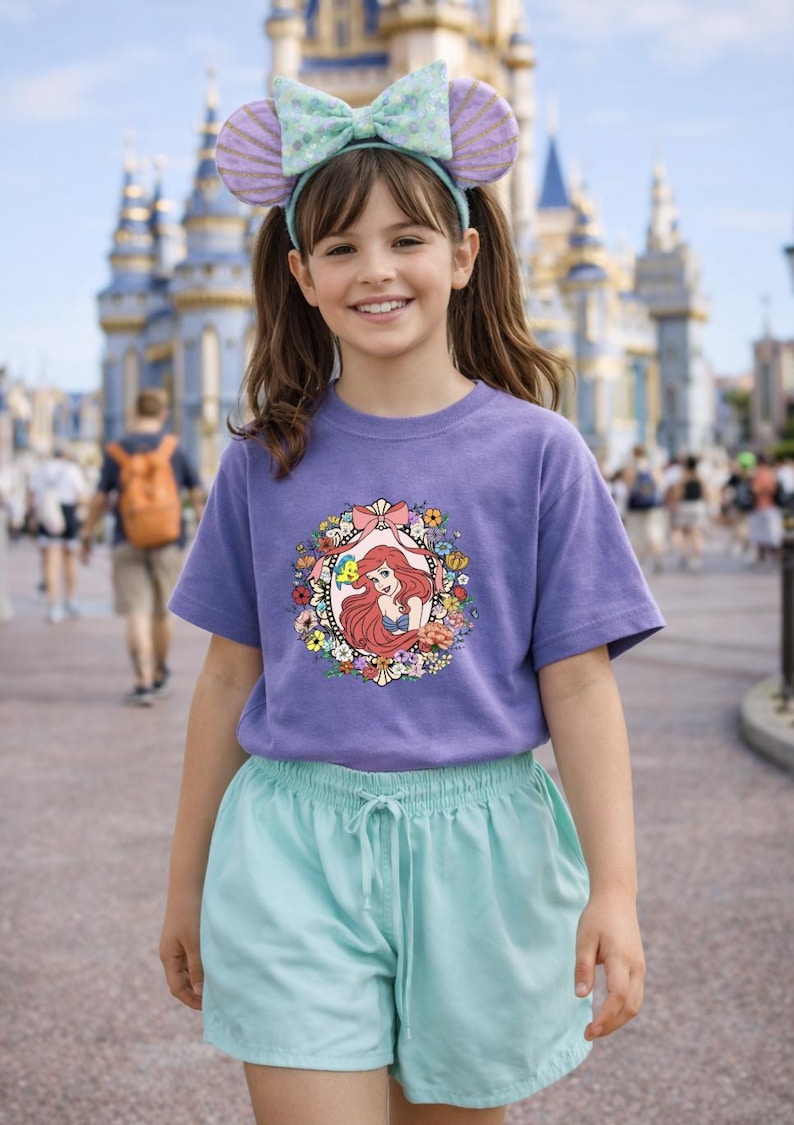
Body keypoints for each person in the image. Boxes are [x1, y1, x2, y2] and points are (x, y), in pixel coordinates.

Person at [159, 62, 664, 1125]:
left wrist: (613, 890)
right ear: (300, 275)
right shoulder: (263, 461)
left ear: (462, 255)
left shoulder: (539, 454)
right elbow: (225, 681)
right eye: (339, 247)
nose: (374, 271)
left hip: (481, 854)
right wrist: (184, 883)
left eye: (406, 240)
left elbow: (577, 689)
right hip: (292, 848)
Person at [80, 387, 204, 706]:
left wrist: (85, 534)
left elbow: (99, 498)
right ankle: (161, 672)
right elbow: (196, 493)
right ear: (163, 414)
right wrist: (205, 534)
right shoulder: (173, 447)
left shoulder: (116, 450)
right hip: (168, 540)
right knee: (163, 613)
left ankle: (143, 679)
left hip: (128, 538)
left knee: (136, 612)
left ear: (135, 411)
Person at [27, 444, 87, 622]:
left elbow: (31, 498)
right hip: (68, 514)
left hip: (47, 514)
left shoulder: (39, 470)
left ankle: (53, 606)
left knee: (50, 562)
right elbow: (80, 497)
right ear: (66, 454)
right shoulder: (72, 470)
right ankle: (70, 600)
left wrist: (31, 517)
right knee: (69, 560)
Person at [622, 444, 666, 573]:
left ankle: (638, 564)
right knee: (654, 533)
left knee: (635, 535)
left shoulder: (630, 468)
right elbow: (660, 484)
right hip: (653, 506)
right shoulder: (653, 467)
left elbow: (628, 486)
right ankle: (657, 559)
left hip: (635, 507)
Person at [670, 454, 709, 570]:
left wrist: (674, 505)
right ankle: (697, 557)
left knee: (686, 533)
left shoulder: (683, 478)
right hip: (698, 506)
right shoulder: (699, 477)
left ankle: (686, 555)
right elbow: (706, 492)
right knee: (697, 533)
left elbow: (678, 493)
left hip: (685, 506)